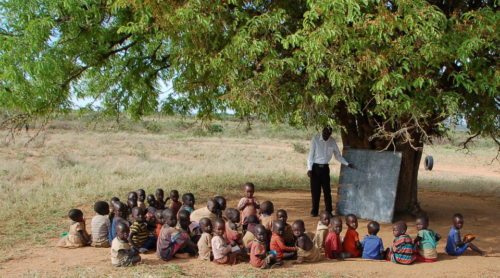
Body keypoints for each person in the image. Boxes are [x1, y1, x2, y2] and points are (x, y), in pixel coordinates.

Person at [307, 126, 353, 217]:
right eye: (324, 133)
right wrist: (309, 169)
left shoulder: (332, 141)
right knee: (315, 191)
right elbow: (310, 156)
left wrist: (347, 163)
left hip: (325, 168)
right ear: (322, 131)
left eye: (327, 134)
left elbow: (337, 155)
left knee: (327, 191)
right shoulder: (315, 139)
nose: (325, 135)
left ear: (330, 134)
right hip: (315, 168)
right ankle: (314, 211)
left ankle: (329, 211)